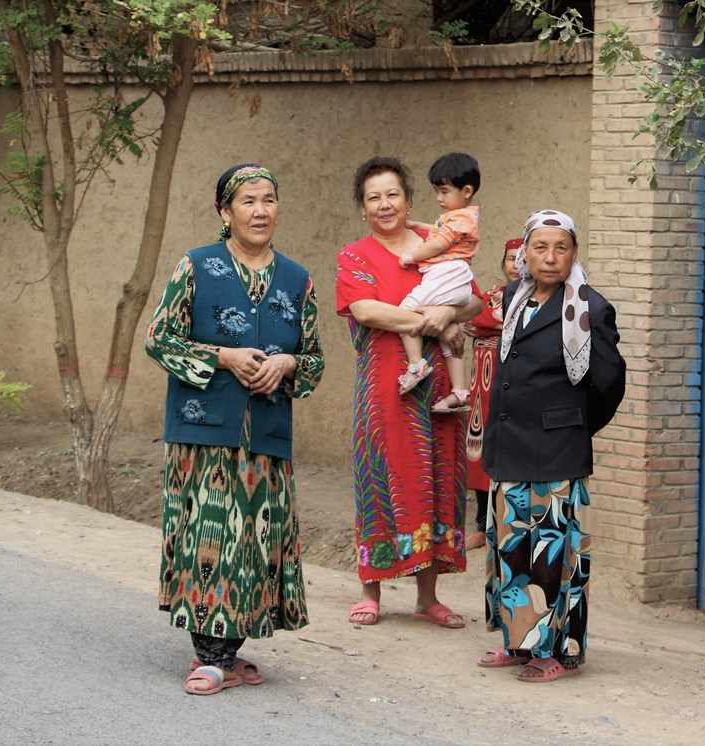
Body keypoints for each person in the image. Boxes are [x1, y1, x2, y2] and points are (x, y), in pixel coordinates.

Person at [145, 163, 325, 695]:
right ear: (225, 211)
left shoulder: (298, 279)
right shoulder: (196, 267)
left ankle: (231, 649)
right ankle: (210, 656)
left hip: (265, 434)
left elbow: (313, 359)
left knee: (253, 541)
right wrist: (222, 356)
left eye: (269, 199)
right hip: (203, 432)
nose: (261, 210)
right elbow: (159, 339)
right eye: (248, 201)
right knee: (210, 536)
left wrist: (286, 365)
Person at [335, 156, 481, 628]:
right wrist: (433, 319)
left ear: (409, 199)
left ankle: (428, 597)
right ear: (362, 208)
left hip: (440, 387)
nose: (384, 204)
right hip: (385, 389)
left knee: (437, 478)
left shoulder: (437, 246)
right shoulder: (355, 256)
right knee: (381, 478)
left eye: (393, 194)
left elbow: (475, 298)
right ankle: (370, 589)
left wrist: (454, 314)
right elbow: (365, 309)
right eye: (373, 197)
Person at [480, 209, 626, 682]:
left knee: (552, 557)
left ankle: (557, 652)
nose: (550, 257)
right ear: (525, 252)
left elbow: (608, 384)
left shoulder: (589, 308)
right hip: (510, 447)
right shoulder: (513, 297)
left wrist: (571, 428)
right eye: (540, 247)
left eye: (560, 248)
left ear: (574, 254)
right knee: (510, 551)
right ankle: (519, 642)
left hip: (555, 452)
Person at [396, 152, 480, 414]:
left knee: (406, 310)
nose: (439, 199)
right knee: (450, 337)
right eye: (436, 192)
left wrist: (412, 255)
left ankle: (415, 364)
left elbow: (439, 242)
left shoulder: (462, 218)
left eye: (444, 191)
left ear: (466, 191)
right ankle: (460, 391)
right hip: (454, 277)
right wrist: (414, 224)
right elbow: (436, 229)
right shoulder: (458, 216)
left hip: (447, 274)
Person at [464, 237, 523, 550]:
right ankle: (481, 524)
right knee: (480, 450)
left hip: (516, 388)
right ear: (503, 263)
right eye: (511, 258)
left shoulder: (536, 298)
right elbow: (472, 320)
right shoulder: (490, 296)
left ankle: (508, 524)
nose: (516, 265)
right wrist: (488, 322)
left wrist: (487, 323)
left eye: (522, 258)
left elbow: (496, 321)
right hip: (482, 390)